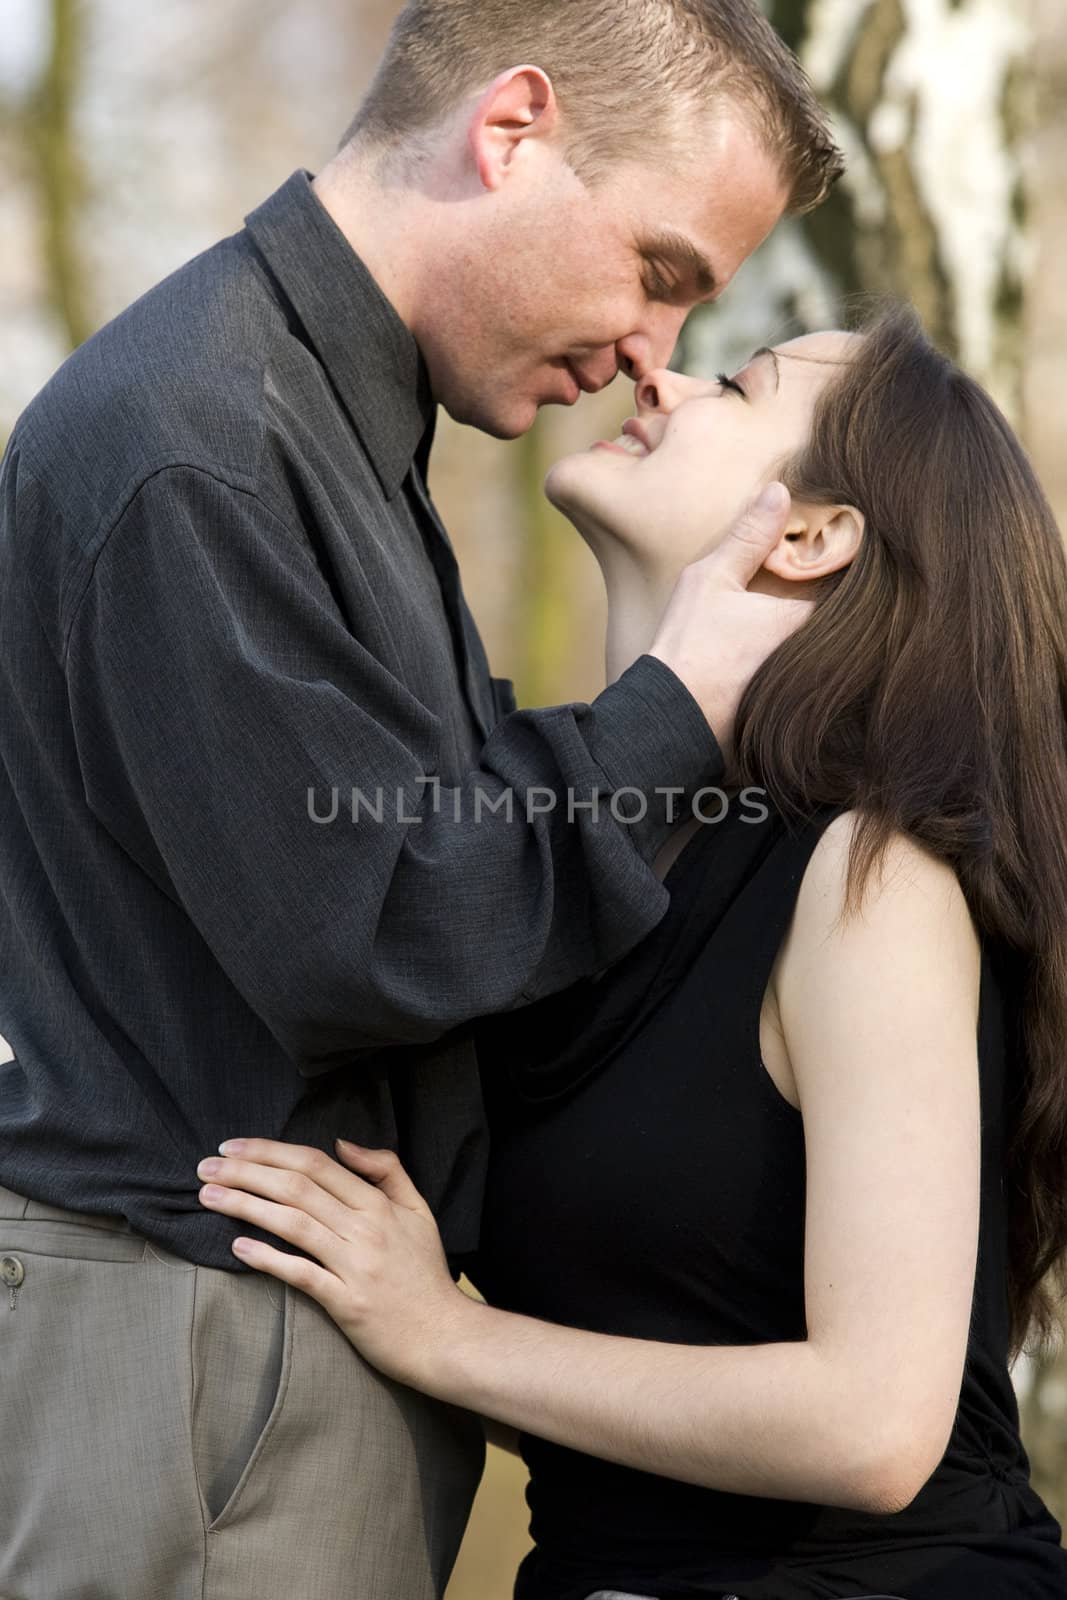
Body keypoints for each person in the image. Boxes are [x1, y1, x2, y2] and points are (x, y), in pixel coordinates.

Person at [0, 3, 845, 1598]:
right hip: (200, 1334)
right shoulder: (209, 438)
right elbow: (382, 916)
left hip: (249, 1335)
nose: (650, 356)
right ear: (511, 129)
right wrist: (687, 695)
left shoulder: (327, 417)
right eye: (660, 273)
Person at [194, 304, 1067, 1600]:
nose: (662, 372)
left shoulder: (865, 884)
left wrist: (439, 1333)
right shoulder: (550, 862)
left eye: (739, 380)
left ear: (815, 534)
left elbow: (877, 1426)